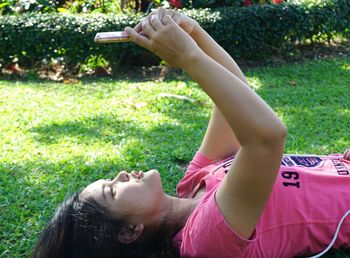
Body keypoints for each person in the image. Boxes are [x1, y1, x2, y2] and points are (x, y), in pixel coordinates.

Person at [31, 7, 350, 258]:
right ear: (129, 231)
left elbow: (234, 92)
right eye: (113, 191)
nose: (123, 175)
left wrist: (192, 32)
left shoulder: (194, 180)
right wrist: (187, 57)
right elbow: (266, 138)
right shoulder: (204, 240)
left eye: (112, 178)